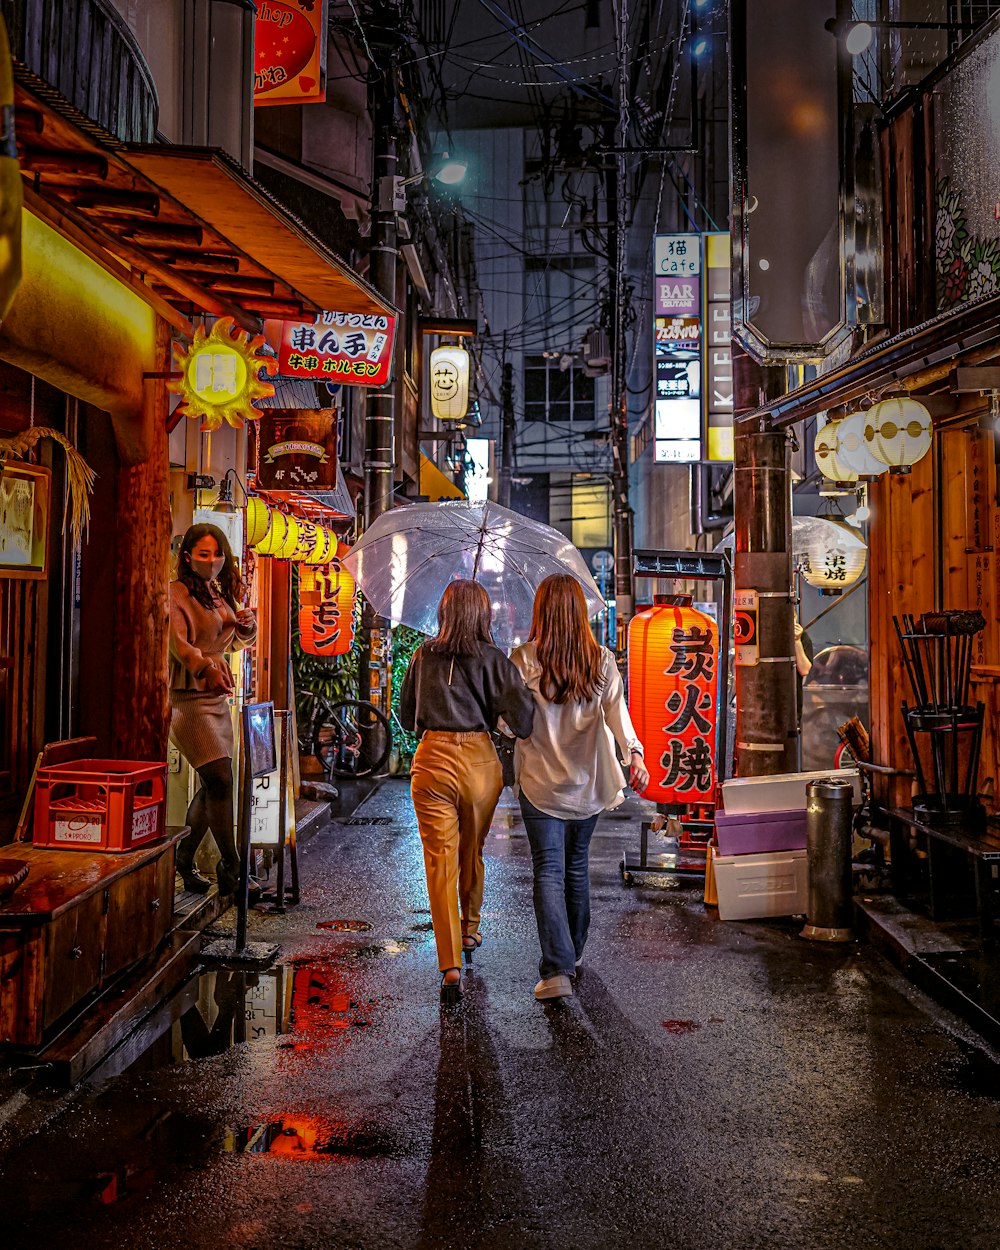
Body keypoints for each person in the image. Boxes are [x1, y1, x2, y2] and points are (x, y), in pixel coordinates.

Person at [511, 574, 649, 1002]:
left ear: (542, 613)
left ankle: (557, 969)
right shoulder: (602, 661)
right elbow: (617, 717)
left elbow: (507, 722)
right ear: (579, 614)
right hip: (588, 786)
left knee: (549, 871)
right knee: (575, 868)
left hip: (539, 785)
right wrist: (635, 755)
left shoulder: (523, 660)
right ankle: (572, 954)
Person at [399, 579, 534, 1004]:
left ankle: (449, 964)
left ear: (443, 612)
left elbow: (405, 717)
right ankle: (471, 927)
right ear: (484, 614)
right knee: (471, 849)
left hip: (432, 759)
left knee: (440, 862)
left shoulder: (423, 655)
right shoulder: (494, 659)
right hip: (479, 761)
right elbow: (525, 721)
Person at [169, 523, 257, 898]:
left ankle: (184, 859)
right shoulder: (175, 594)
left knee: (214, 783)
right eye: (204, 554)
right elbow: (178, 644)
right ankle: (232, 867)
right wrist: (205, 667)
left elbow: (232, 642)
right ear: (188, 557)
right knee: (219, 779)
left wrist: (247, 627)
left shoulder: (215, 592)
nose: (212, 561)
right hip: (188, 700)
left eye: (217, 554)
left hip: (217, 699)